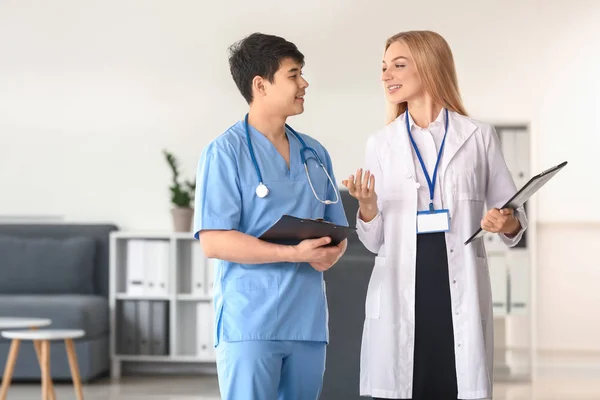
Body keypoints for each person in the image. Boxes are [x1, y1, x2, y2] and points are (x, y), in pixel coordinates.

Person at [342, 30, 528, 400]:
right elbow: (374, 241)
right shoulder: (381, 143)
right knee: (402, 384)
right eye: (383, 68)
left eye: (398, 65)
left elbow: (513, 216)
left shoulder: (478, 136)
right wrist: (367, 206)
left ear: (428, 66)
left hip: (456, 286)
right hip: (401, 286)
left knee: (454, 384)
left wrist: (501, 220)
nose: (386, 76)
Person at [193, 32, 348, 400]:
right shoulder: (224, 153)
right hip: (250, 322)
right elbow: (214, 241)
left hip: (307, 322)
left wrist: (330, 254)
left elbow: (336, 232)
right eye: (293, 75)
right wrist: (294, 254)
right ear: (260, 85)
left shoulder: (314, 153)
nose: (304, 83)